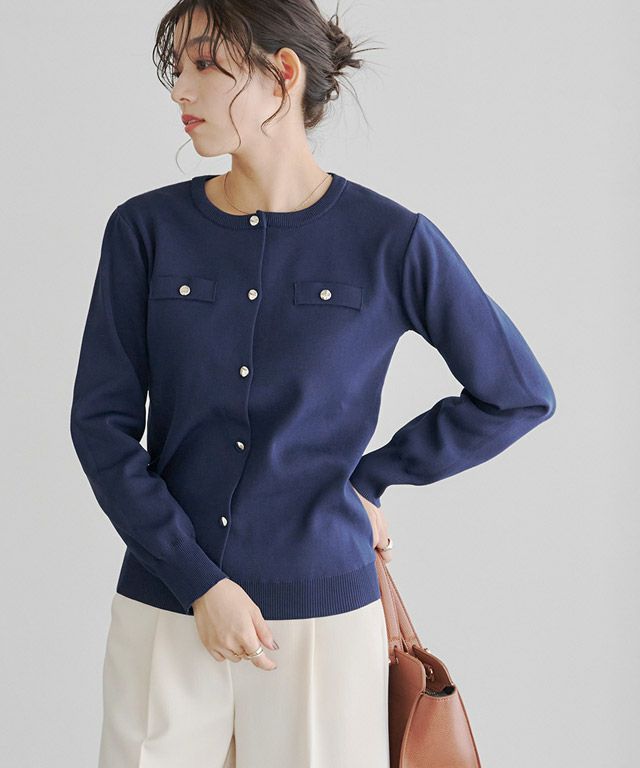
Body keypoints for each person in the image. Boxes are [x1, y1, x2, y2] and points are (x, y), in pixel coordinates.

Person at [69, 1, 556, 767]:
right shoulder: (145, 231)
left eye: (205, 64)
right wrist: (199, 582)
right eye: (178, 68)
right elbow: (99, 425)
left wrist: (371, 479)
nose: (180, 90)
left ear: (283, 74)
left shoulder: (390, 241)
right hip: (165, 608)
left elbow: (517, 391)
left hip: (324, 620)